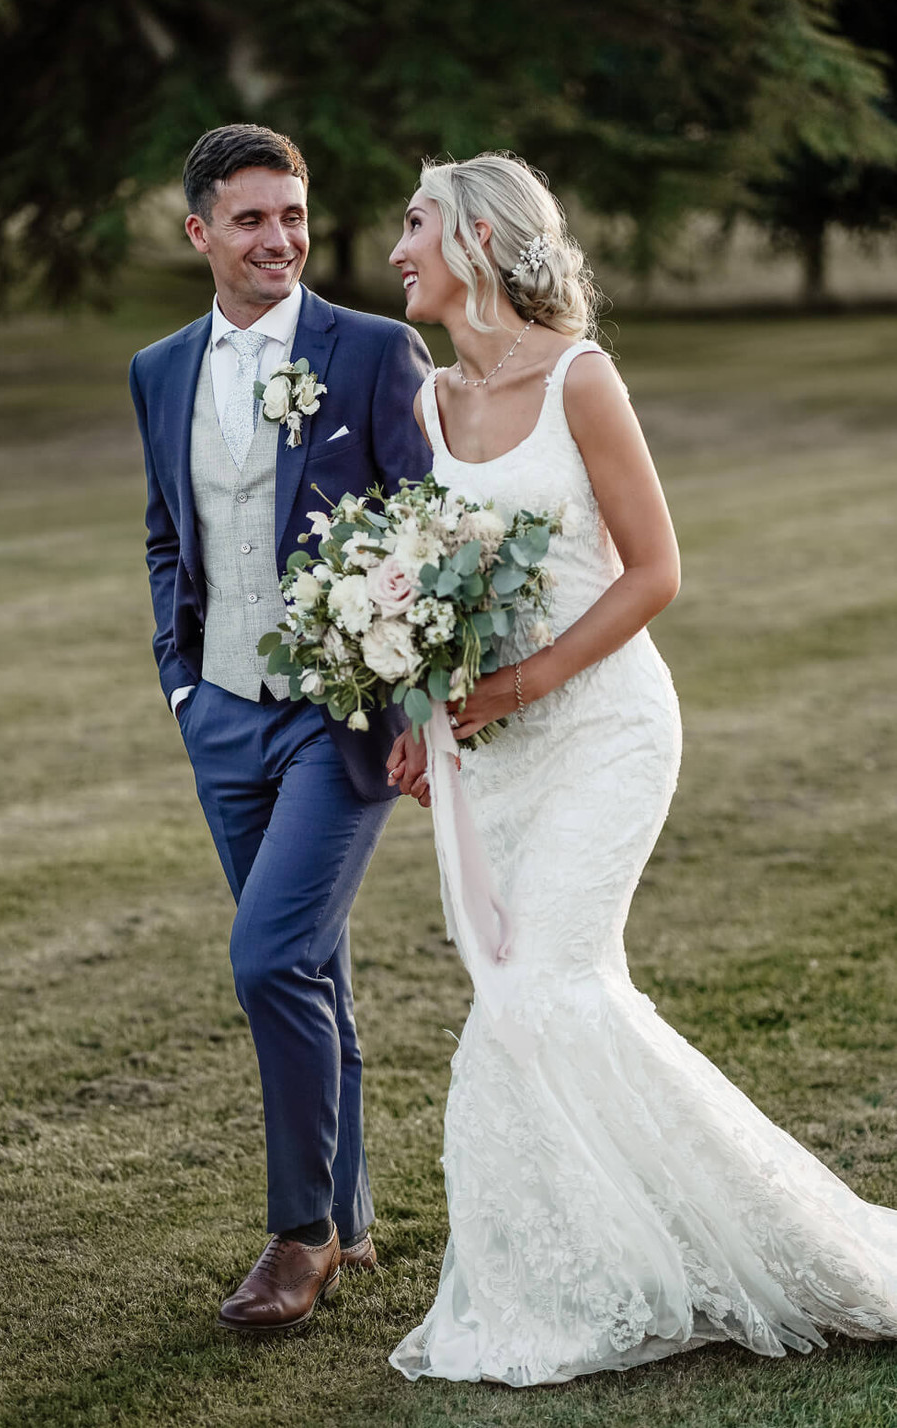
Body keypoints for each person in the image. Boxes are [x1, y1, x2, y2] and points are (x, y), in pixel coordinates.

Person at [385, 152, 897, 1386]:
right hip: (493, 758)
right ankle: (576, 1273)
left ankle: (789, 1254)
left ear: (479, 241)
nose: (395, 249)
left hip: (608, 729)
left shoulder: (582, 378)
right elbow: (435, 592)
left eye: (414, 226)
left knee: (544, 994)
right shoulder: (427, 405)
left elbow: (656, 570)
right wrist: (421, 710)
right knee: (533, 1004)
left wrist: (514, 686)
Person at [129, 124, 432, 1333]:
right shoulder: (157, 370)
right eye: (251, 219)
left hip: (336, 718)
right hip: (222, 714)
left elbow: (423, 528)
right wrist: (180, 681)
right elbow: (167, 531)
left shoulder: (369, 350)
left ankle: (298, 1236)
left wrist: (414, 700)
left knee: (269, 962)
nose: (280, 240)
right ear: (199, 231)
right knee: (313, 968)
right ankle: (350, 1218)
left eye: (294, 215)